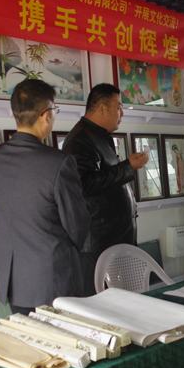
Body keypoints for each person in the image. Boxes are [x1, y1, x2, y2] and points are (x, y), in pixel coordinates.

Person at [0, 79, 90, 314]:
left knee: (28, 337)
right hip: (54, 281)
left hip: (14, 280)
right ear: (45, 115)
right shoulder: (58, 163)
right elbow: (78, 226)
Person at [62, 83, 149, 296]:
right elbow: (84, 184)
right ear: (102, 108)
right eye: (118, 107)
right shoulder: (79, 140)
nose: (121, 113)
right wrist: (128, 167)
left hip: (115, 238)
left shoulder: (99, 135)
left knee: (125, 300)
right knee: (106, 301)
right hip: (99, 243)